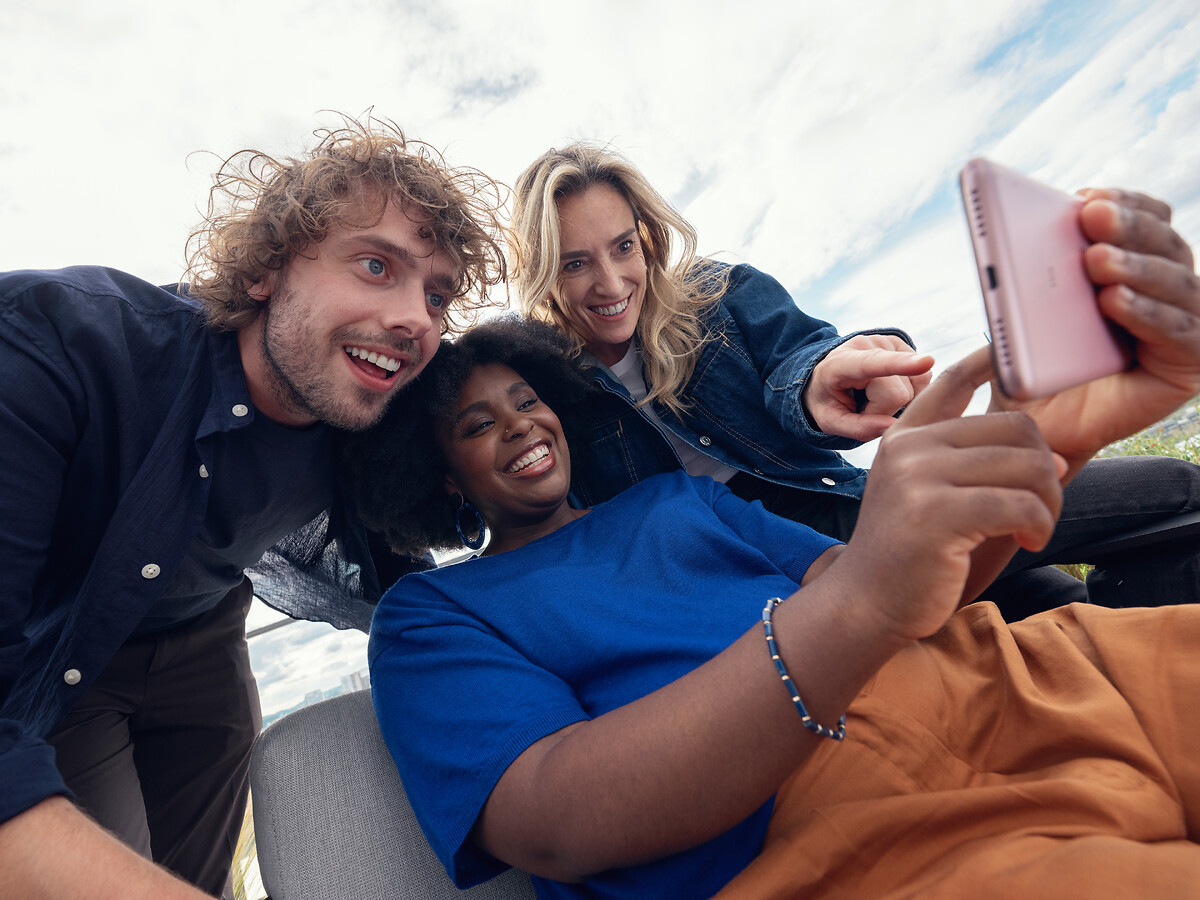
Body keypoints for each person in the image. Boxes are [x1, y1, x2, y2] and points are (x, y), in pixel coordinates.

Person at [342, 231, 1200, 898]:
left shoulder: (674, 501)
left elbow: (910, 600)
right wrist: (864, 598)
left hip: (1024, 678)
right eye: (479, 425)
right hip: (850, 839)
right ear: (441, 473)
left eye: (527, 401)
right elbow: (554, 819)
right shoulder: (432, 616)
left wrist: (1043, 445)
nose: (522, 425)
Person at [0, 115, 507, 899]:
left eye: (437, 296)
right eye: (376, 265)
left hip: (207, 651)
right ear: (267, 271)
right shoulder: (61, 344)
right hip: (70, 664)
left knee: (195, 872)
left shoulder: (367, 423)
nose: (416, 319)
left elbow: (417, 563)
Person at [508, 143, 1200, 616]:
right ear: (543, 272)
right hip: (746, 588)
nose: (609, 282)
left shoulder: (718, 295)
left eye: (622, 247)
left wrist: (828, 381)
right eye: (574, 264)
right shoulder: (545, 388)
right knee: (1031, 604)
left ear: (646, 239)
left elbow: (806, 359)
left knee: (1157, 516)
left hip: (851, 514)